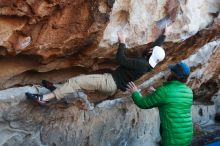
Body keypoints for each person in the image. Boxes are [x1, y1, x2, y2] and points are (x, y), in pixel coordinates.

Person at [26, 31, 166, 105]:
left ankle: (45, 98)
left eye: (151, 50)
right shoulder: (147, 66)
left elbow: (120, 59)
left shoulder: (141, 64)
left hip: (109, 82)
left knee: (76, 82)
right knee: (80, 79)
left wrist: (122, 42)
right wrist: (164, 34)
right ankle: (57, 89)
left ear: (150, 54)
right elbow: (154, 49)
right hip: (111, 84)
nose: (149, 49)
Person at [126, 62, 193, 146]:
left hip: (172, 140)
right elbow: (172, 103)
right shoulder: (189, 92)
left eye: (171, 71)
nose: (169, 72)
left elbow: (142, 103)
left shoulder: (164, 91)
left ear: (173, 74)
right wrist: (156, 93)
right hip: (187, 136)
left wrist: (135, 92)